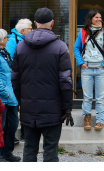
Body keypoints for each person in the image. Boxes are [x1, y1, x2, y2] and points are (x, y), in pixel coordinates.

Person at [11, 8, 74, 162]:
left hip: (28, 108)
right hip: (52, 109)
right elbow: (65, 80)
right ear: (52, 23)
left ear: (35, 23)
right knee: (51, 150)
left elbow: (15, 79)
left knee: (29, 149)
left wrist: (20, 102)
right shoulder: (60, 47)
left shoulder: (20, 47)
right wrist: (68, 107)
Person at [73, 9, 104, 131]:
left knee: (100, 97)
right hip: (87, 69)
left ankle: (100, 120)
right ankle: (87, 119)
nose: (99, 19)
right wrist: (80, 63)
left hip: (101, 69)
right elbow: (76, 48)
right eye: (96, 17)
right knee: (87, 97)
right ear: (90, 18)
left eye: (100, 17)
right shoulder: (83, 32)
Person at [6, 18, 32, 143]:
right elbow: (10, 62)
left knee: (25, 106)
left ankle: (25, 133)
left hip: (26, 79)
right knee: (15, 107)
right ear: (23, 30)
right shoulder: (12, 41)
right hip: (15, 80)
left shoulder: (27, 40)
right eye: (30, 28)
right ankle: (13, 136)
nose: (32, 30)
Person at [0, 29, 20, 162]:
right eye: (6, 37)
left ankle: (7, 153)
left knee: (12, 125)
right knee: (1, 127)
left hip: (11, 97)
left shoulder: (5, 54)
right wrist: (4, 92)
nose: (8, 39)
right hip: (3, 97)